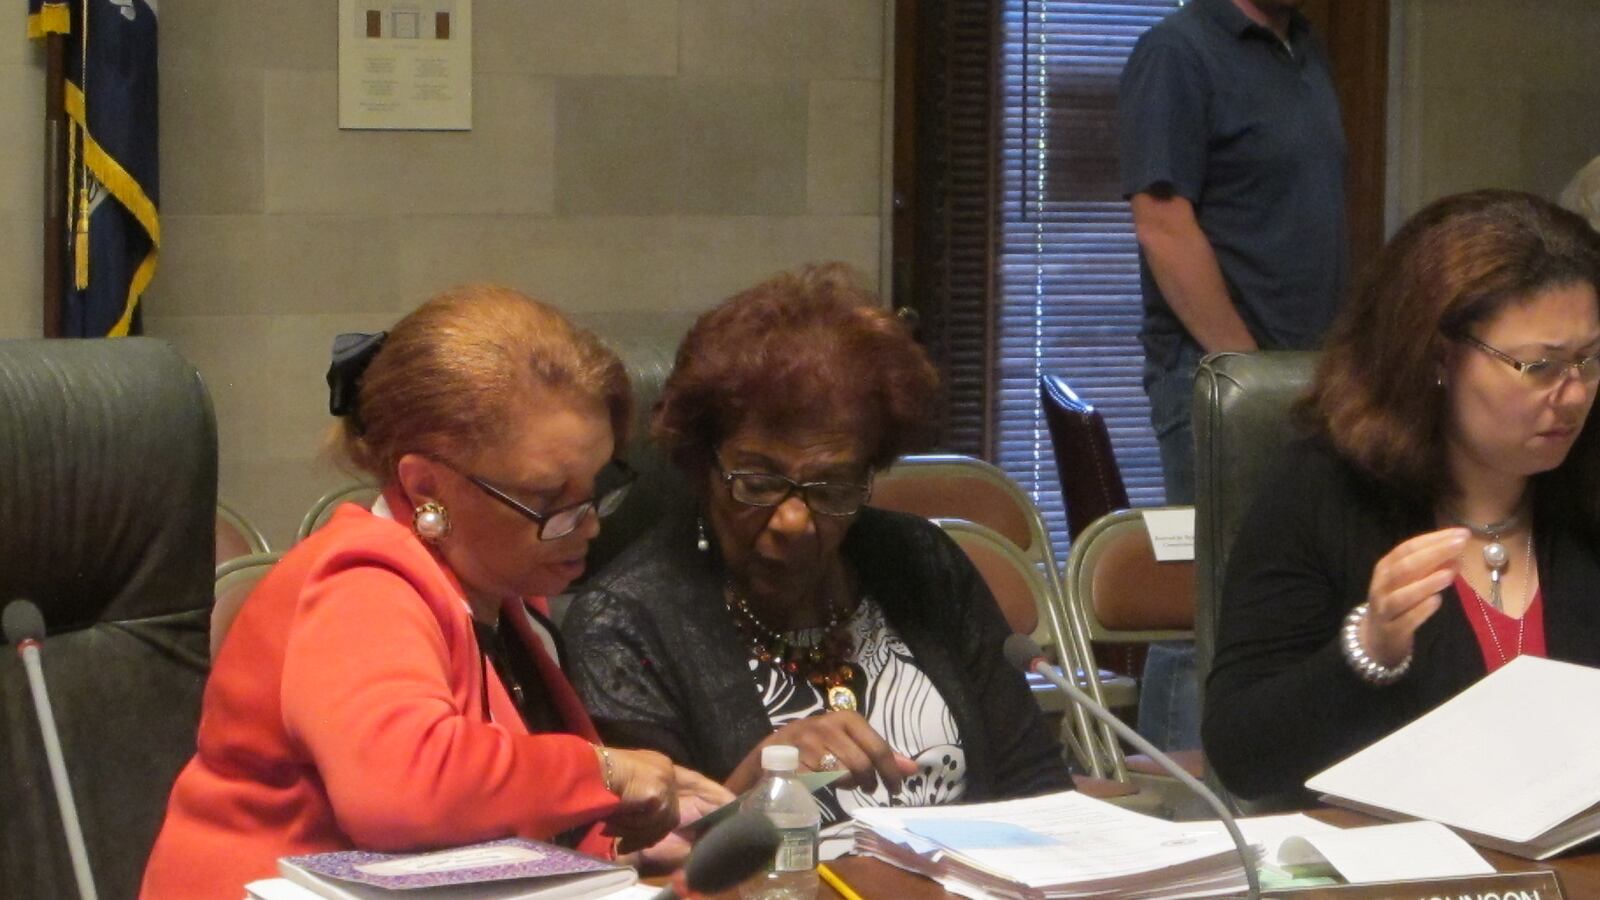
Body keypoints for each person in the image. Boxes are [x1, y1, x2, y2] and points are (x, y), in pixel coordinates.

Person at [141, 285, 729, 897]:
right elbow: (400, 791)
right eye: (547, 499)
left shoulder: (502, 592)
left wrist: (622, 834)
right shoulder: (362, 583)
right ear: (426, 487)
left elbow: (489, 815)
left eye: (597, 484)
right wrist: (605, 770)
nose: (590, 524)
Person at [564, 264, 1073, 857]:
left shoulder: (920, 561)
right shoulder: (624, 622)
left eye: (831, 486)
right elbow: (639, 868)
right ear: (703, 463)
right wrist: (750, 790)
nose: (794, 521)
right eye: (758, 481)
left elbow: (1038, 792)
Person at [1203, 190, 1600, 803]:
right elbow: (1243, 758)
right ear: (1439, 356)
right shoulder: (1324, 488)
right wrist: (1369, 650)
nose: (1572, 395)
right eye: (1541, 366)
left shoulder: (1585, 489)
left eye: (1589, 361)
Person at [1117, 0, 1349, 753]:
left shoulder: (1302, 49)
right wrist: (1249, 372)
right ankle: (1184, 817)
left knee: (1284, 605)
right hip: (1223, 385)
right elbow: (1161, 220)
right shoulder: (1178, 51)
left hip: (1305, 381)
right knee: (1203, 616)